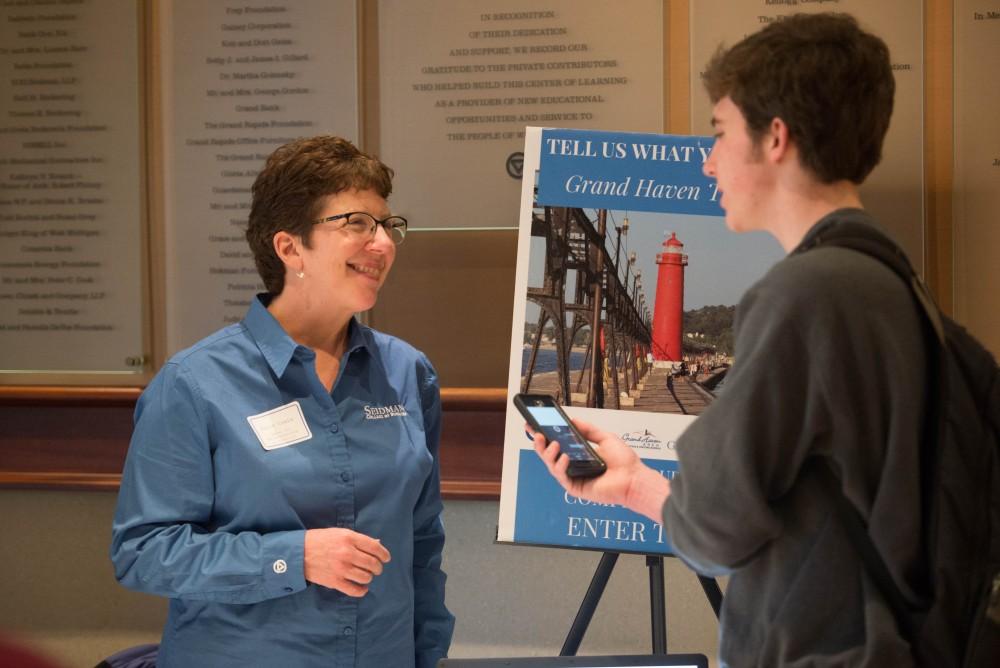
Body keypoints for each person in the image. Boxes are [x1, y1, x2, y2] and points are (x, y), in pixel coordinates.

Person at [533, 13, 928, 667]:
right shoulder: (895, 285)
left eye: (718, 134)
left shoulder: (800, 296)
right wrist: (633, 485)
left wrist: (643, 492)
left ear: (776, 138)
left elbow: (716, 528)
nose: (708, 161)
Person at [111, 136, 454, 667]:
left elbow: (423, 542)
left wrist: (427, 655)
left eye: (388, 225)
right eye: (356, 223)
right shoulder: (195, 383)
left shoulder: (407, 372)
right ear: (290, 247)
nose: (383, 243)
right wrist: (290, 557)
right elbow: (143, 553)